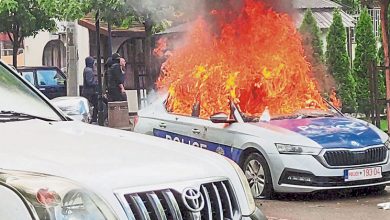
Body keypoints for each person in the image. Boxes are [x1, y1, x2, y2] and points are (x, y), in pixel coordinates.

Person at [81, 56, 98, 123]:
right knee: (96, 104)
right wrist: (96, 82)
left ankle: (91, 118)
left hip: (86, 91)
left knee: (89, 105)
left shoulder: (86, 69)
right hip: (89, 92)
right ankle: (93, 118)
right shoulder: (89, 70)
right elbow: (89, 82)